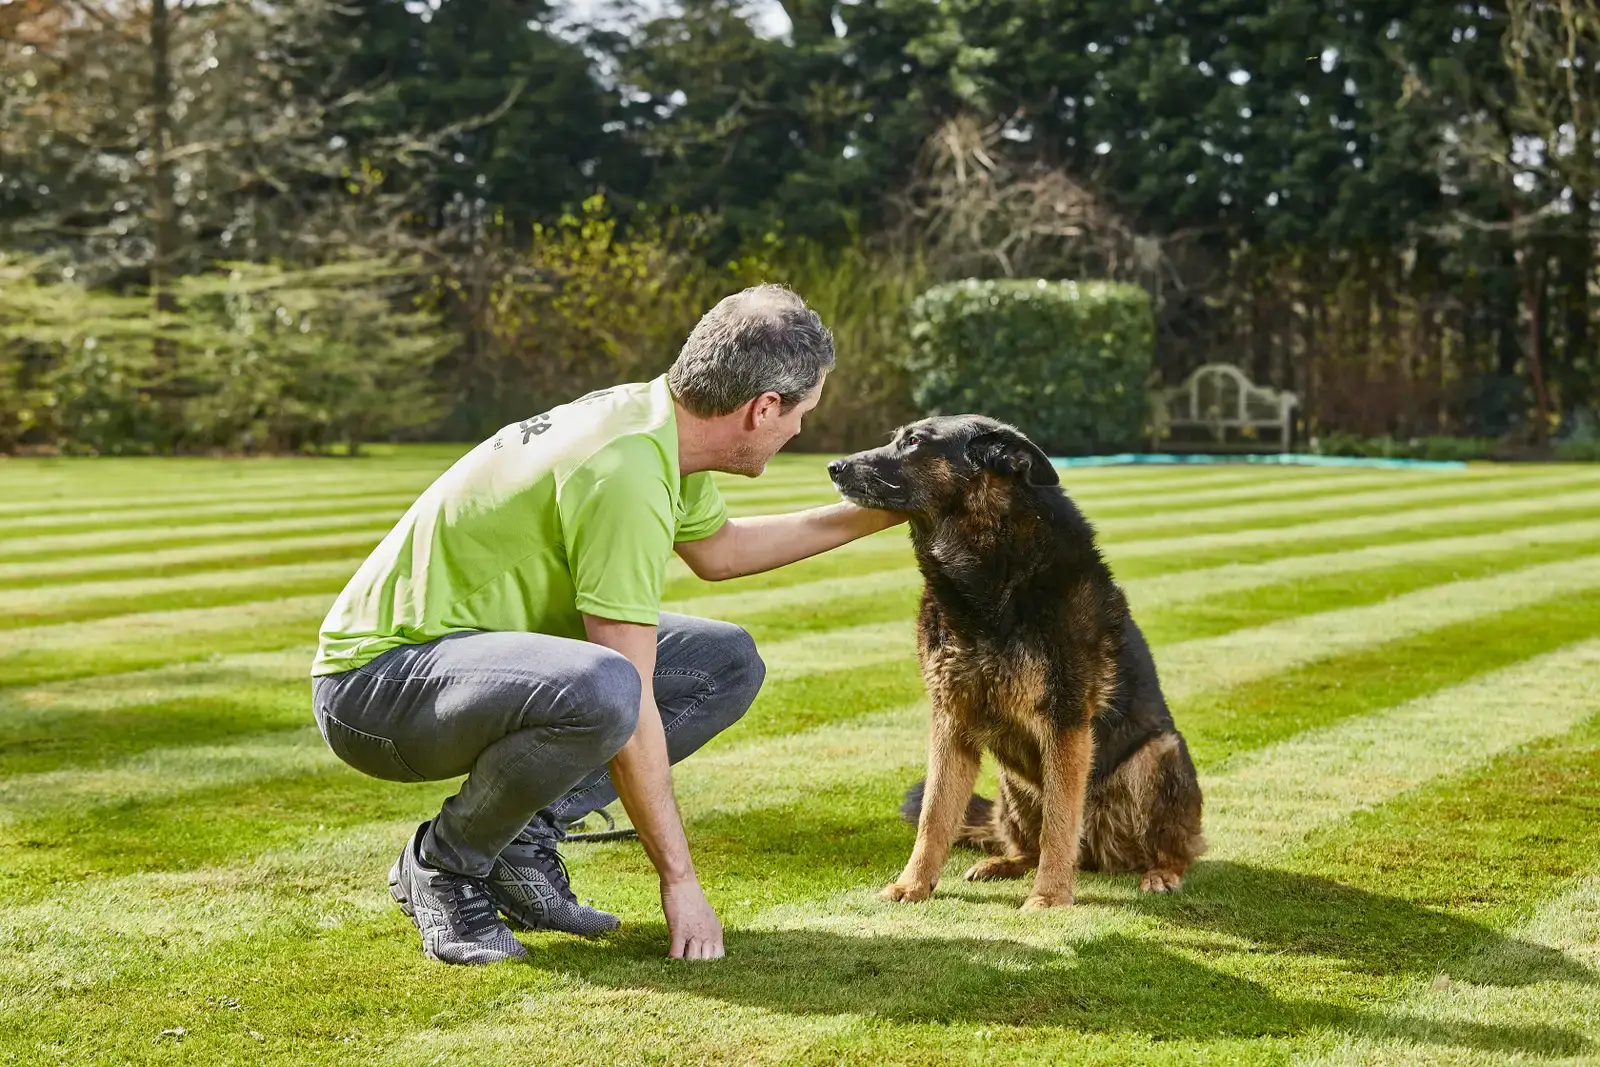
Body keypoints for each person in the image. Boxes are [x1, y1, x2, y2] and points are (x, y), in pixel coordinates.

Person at [309, 284, 904, 965]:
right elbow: (631, 697)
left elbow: (720, 551)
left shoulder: (657, 425)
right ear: (763, 406)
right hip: (376, 689)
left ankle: (522, 840)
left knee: (726, 662)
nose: (800, 429)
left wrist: (886, 510)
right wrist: (680, 880)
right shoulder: (624, 472)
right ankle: (444, 864)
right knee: (610, 687)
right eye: (802, 412)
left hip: (450, 670)